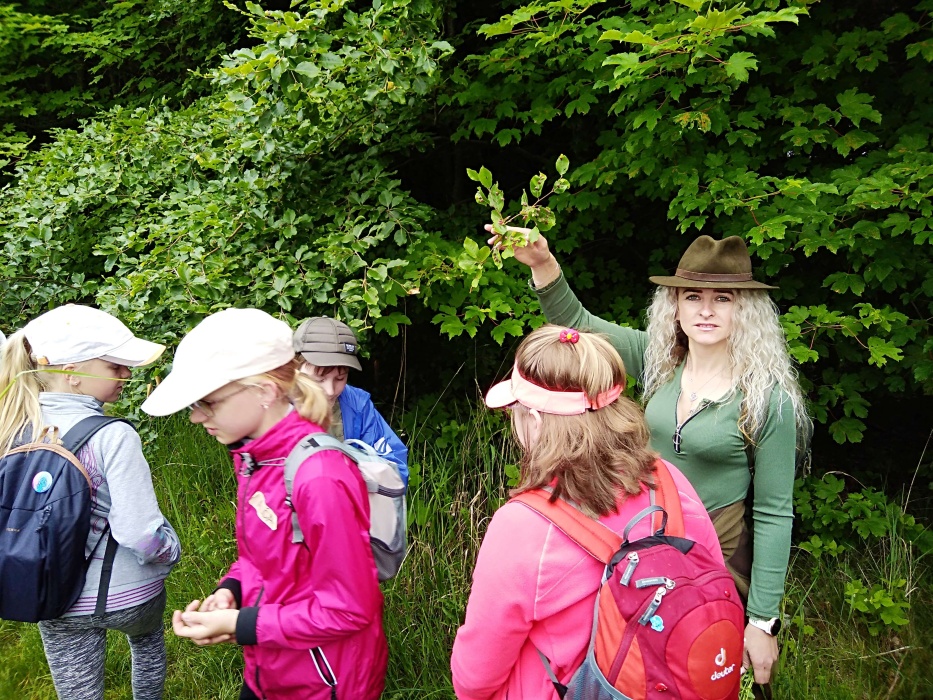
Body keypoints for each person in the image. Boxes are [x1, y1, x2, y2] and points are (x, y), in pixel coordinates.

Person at [493, 226, 809, 686]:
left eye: (722, 299)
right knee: (643, 675)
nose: (705, 309)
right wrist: (543, 263)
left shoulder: (767, 400)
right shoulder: (659, 361)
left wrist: (762, 622)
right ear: (675, 306)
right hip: (647, 544)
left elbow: (774, 512)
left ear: (745, 309)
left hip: (716, 558)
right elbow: (579, 325)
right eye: (693, 296)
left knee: (701, 674)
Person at [451, 324, 724, 699]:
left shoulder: (523, 527)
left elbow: (475, 677)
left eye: (516, 412)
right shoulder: (668, 481)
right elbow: (712, 576)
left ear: (535, 421)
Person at [142, 308, 387, 700]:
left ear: (266, 391)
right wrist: (232, 591)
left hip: (324, 682)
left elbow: (349, 608)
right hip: (270, 668)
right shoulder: (254, 457)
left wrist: (239, 624)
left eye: (207, 402)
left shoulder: (320, 476)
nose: (196, 417)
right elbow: (263, 558)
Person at [0, 304, 181, 700]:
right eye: (115, 366)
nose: (127, 375)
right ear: (72, 373)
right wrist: (170, 553)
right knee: (148, 642)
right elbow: (139, 533)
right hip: (132, 597)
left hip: (51, 590)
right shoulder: (114, 435)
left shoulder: (12, 428)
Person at [293, 316, 409, 485]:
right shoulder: (274, 405)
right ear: (294, 369)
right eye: (319, 380)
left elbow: (396, 467)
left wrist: (350, 478)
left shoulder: (358, 405)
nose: (330, 391)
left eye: (340, 378)